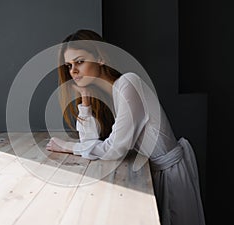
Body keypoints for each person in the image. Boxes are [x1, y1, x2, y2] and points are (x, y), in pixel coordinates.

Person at [46, 29, 206, 225]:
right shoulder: (111, 95)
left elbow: (115, 149)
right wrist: (85, 102)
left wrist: (67, 147)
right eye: (69, 65)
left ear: (101, 58)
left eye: (80, 61)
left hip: (171, 176)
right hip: (155, 173)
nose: (73, 71)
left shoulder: (129, 83)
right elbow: (89, 143)